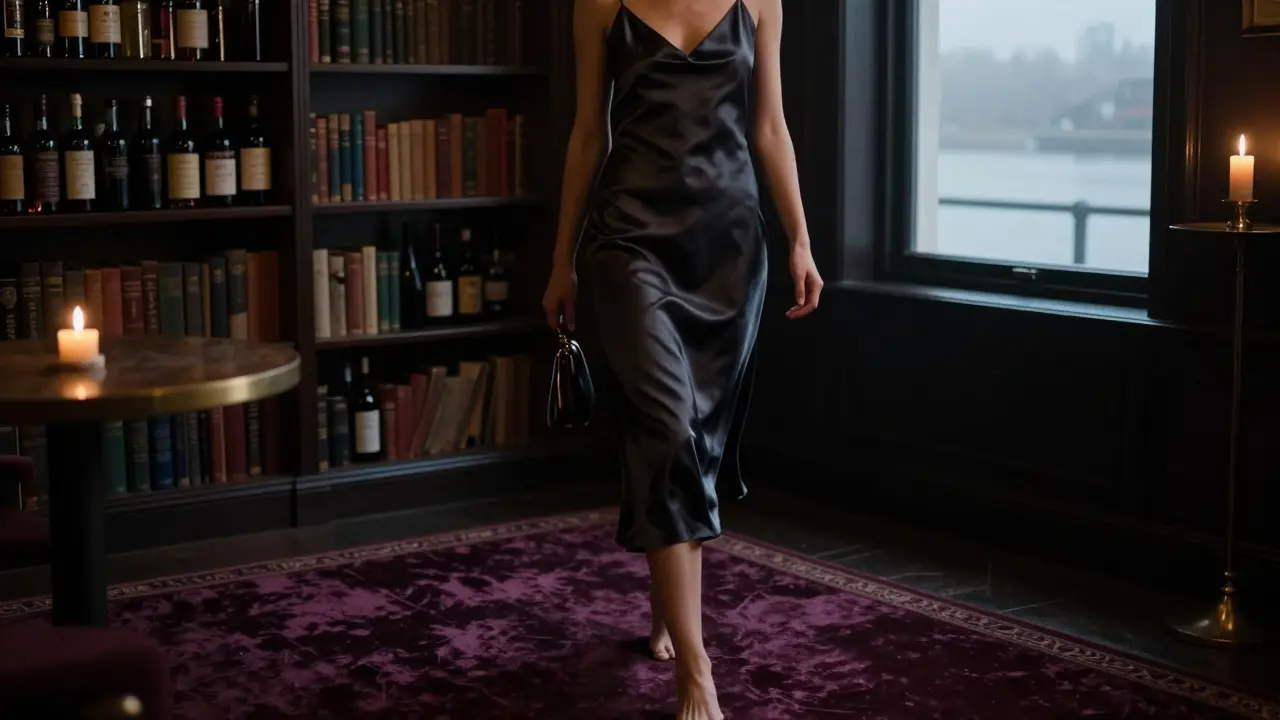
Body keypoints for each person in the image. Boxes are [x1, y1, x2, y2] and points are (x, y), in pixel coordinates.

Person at [542, 0, 820, 717]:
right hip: (629, 245)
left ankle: (668, 601)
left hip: (729, 252)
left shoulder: (761, 2)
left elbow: (769, 128)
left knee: (689, 443)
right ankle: (696, 670)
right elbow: (586, 136)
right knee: (666, 427)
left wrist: (798, 239)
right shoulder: (598, 5)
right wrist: (562, 262)